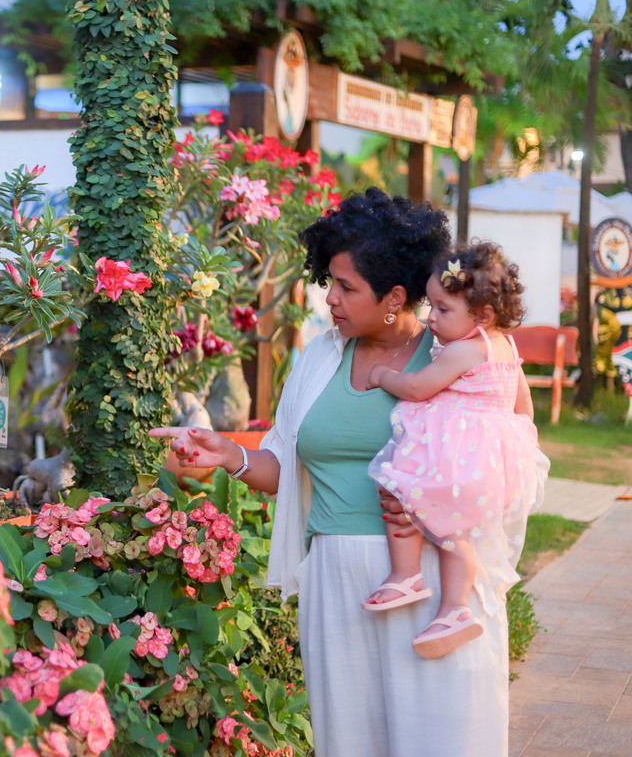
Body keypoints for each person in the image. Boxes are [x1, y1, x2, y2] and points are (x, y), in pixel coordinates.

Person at [150, 188, 545, 757]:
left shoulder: (464, 356)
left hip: (437, 584)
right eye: (329, 281)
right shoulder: (320, 358)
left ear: (395, 296)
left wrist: (451, 501)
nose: (329, 298)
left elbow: (519, 447)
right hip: (337, 583)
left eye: (346, 286)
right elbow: (286, 464)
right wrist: (228, 456)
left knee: (444, 738)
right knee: (353, 742)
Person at [363, 241, 540, 661]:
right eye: (432, 306)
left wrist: (384, 375)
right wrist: (517, 448)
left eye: (443, 309)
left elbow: (418, 386)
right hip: (492, 465)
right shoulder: (507, 349)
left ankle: (406, 575)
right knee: (455, 531)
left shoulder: (464, 349)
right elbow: (524, 406)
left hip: (456, 455)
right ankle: (455, 609)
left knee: (397, 488)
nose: (430, 317)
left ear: (483, 315)